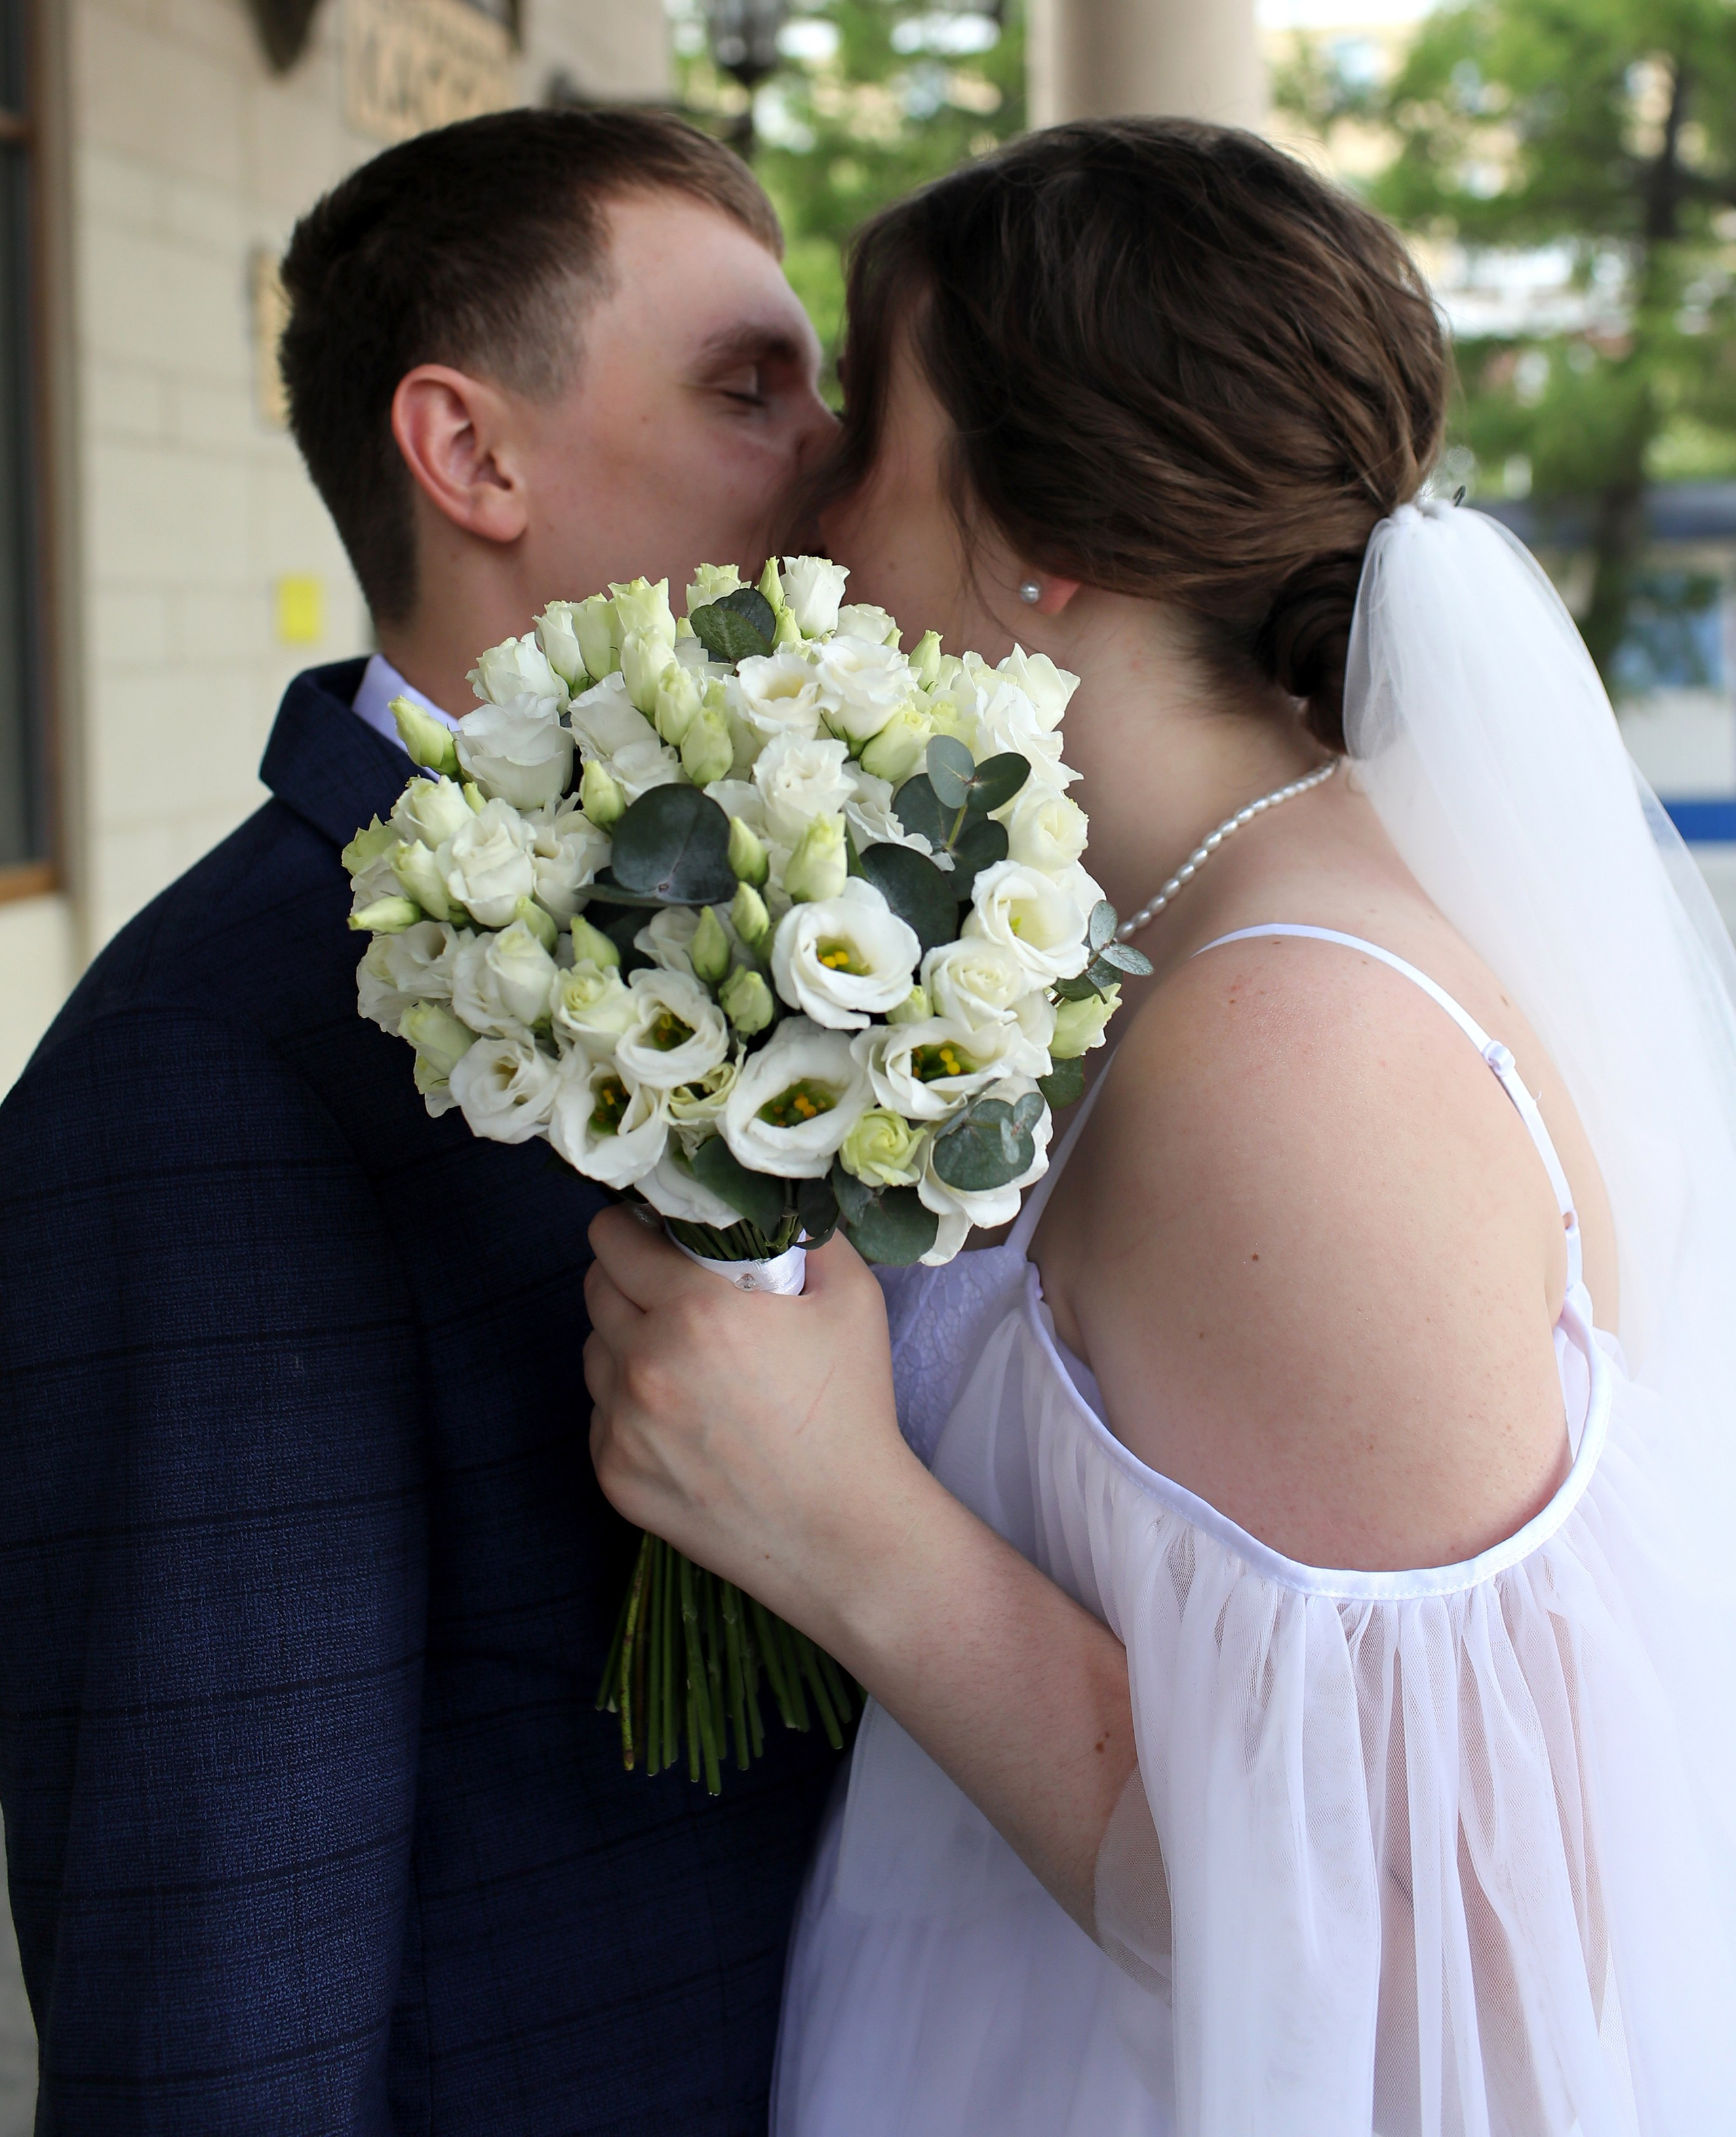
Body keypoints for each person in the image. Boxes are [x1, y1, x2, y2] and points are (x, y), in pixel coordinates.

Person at [581, 117, 1736, 2133]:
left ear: (1043, 544)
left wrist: (842, 1530)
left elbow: (1437, 1963)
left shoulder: (1300, 1043)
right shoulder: (1184, 934)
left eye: (868, 433)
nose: (813, 507)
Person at [0, 108, 842, 2134]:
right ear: (473, 457)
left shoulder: (807, 908)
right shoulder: (207, 1069)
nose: (835, 460)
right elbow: (217, 1950)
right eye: (751, 392)